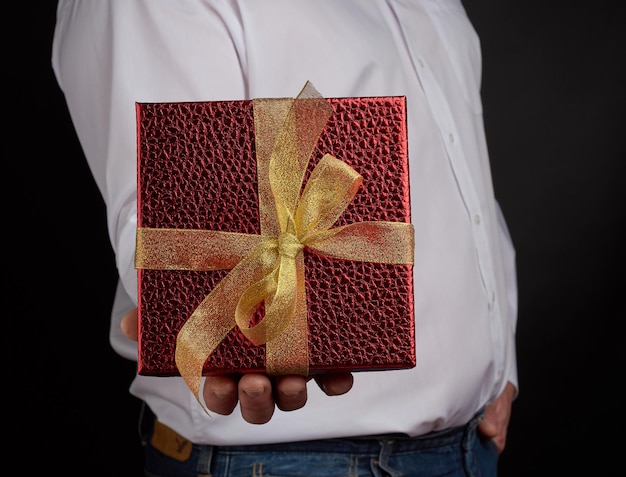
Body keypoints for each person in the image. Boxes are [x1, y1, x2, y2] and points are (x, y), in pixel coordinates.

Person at [52, 1, 518, 476]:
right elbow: (173, 208)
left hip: (472, 444)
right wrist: (218, 336)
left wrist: (503, 369)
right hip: (286, 459)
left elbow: (461, 169)